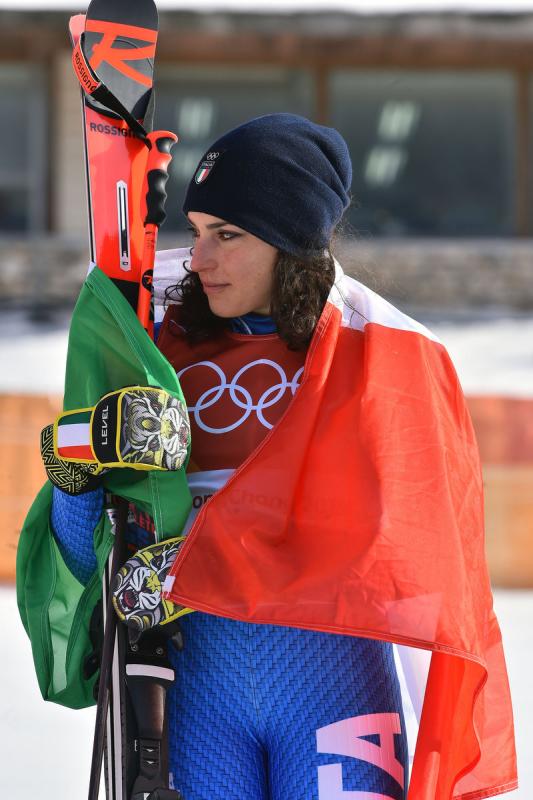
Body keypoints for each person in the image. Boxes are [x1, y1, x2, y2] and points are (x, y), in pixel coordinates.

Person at [26, 113, 517, 800]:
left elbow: (422, 569)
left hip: (336, 693)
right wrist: (76, 464)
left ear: (292, 242)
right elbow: (76, 574)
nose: (199, 259)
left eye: (227, 235)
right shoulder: (154, 351)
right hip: (192, 697)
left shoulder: (375, 358)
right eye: (195, 232)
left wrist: (211, 557)